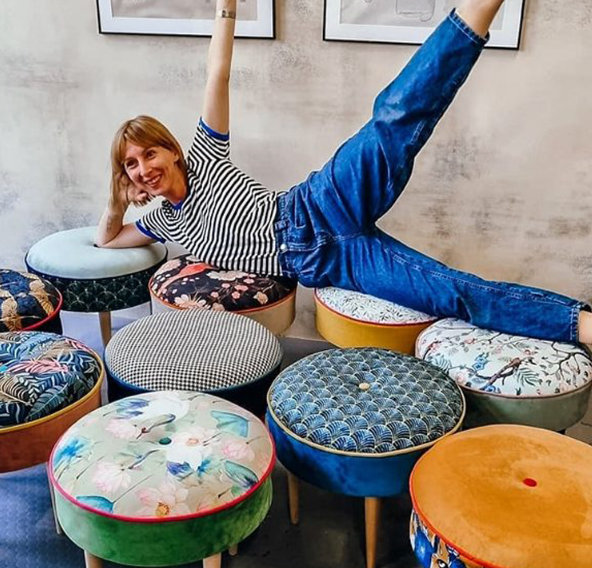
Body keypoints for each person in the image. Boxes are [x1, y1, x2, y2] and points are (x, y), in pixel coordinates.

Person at [96, 0, 592, 345]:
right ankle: (582, 325)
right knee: (450, 292)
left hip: (317, 205)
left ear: (172, 151)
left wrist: (226, 9)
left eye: (149, 155)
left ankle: (476, 11)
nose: (144, 169)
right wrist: (117, 195)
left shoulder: (206, 154)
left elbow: (217, 73)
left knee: (393, 119)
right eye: (131, 165)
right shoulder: (162, 222)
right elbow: (108, 239)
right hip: (330, 262)